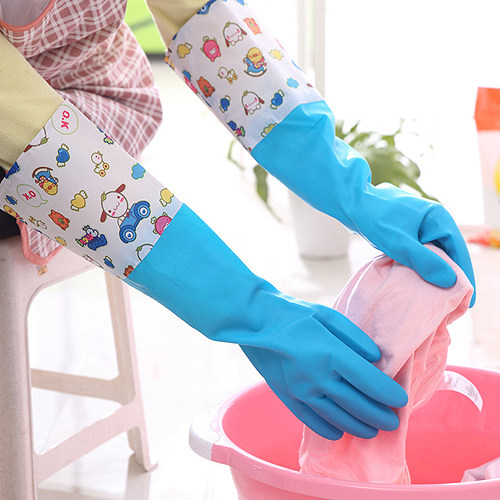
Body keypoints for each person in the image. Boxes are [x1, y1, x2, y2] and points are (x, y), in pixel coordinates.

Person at [0, 0, 476, 442]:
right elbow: (20, 118)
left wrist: (352, 188)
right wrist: (246, 310)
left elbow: (205, 17)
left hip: (97, 94)